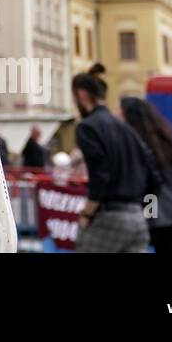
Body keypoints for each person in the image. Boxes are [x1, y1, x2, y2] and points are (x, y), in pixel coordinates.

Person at [71, 65, 158, 253]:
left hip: (109, 216)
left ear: (82, 94)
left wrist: (87, 212)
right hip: (137, 218)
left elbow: (100, 174)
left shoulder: (87, 127)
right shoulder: (126, 129)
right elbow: (153, 175)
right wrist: (147, 212)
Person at [120, 96, 172, 252]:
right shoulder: (166, 141)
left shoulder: (137, 145)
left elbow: (150, 186)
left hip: (150, 219)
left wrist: (149, 213)